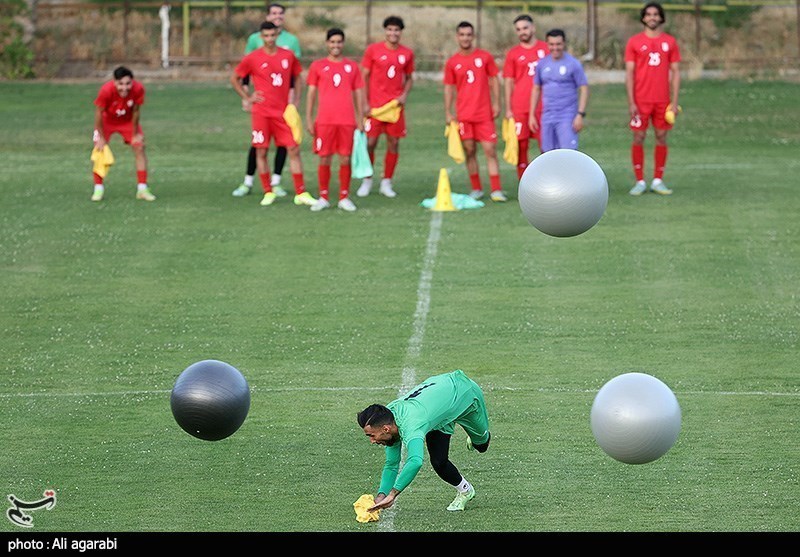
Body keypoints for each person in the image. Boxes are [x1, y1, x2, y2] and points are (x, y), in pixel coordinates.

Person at [357, 369, 491, 512]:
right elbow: (391, 463)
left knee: (482, 445)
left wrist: (393, 493)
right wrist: (381, 495)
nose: (372, 441)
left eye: (372, 435)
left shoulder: (412, 425)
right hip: (439, 416)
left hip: (466, 395)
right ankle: (466, 491)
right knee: (439, 461)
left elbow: (415, 461)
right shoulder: (388, 416)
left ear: (385, 429)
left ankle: (473, 435)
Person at [230, 21, 315, 207]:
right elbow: (235, 78)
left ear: (277, 35)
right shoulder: (253, 57)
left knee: (293, 148)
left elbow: (298, 77)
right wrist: (248, 97)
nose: (269, 39)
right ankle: (268, 191)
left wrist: (296, 101)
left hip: (282, 112)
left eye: (272, 35)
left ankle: (301, 192)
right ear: (261, 37)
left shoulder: (288, 55)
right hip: (261, 113)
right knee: (261, 150)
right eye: (266, 36)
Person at [443, 21, 506, 202]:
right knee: (469, 151)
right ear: (457, 37)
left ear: (473, 36)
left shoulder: (484, 57)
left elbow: (494, 79)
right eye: (462, 35)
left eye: (468, 35)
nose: (465, 38)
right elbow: (448, 88)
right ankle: (476, 188)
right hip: (464, 115)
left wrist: (497, 103)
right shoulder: (452, 62)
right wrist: (448, 111)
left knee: (490, 150)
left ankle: (496, 190)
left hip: (484, 114)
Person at [305, 28, 366, 212]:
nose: (336, 45)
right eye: (332, 42)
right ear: (327, 43)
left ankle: (344, 197)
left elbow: (358, 94)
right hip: (325, 121)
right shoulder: (317, 66)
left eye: (339, 42)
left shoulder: (352, 67)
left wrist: (360, 118)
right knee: (324, 158)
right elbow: (311, 95)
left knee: (345, 158)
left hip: (347, 121)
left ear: (343, 44)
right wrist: (309, 118)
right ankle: (323, 197)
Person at [625, 1, 681, 196]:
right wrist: (631, 102)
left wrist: (674, 102)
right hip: (641, 100)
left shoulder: (670, 42)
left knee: (661, 136)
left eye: (656, 14)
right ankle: (639, 180)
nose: (652, 17)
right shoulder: (634, 42)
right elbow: (630, 74)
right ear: (643, 18)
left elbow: (675, 73)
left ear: (661, 18)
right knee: (639, 136)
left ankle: (658, 180)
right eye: (648, 14)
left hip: (662, 101)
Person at [356, 15, 415, 199]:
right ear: (385, 31)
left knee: (394, 143)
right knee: (370, 143)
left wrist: (404, 94)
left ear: (401, 32)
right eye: (390, 29)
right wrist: (364, 103)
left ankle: (386, 182)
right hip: (374, 107)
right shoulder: (373, 50)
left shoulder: (407, 53)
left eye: (396, 30)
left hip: (394, 107)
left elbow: (410, 77)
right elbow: (363, 76)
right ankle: (367, 180)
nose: (393, 33)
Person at [91, 66, 155, 202]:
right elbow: (98, 113)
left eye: (128, 84)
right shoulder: (106, 90)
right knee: (99, 150)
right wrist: (101, 137)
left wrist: (136, 133)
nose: (124, 88)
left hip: (127, 121)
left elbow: (136, 111)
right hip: (106, 121)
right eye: (120, 84)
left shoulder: (138, 89)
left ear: (132, 82)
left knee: (139, 147)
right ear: (114, 82)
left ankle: (142, 189)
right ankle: (98, 189)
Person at [502, 14, 549, 179]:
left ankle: (547, 180)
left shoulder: (546, 49)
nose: (522, 32)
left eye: (525, 28)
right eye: (518, 29)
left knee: (546, 146)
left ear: (533, 28)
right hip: (520, 106)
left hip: (543, 106)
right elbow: (508, 82)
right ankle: (525, 183)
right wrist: (508, 109)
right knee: (521, 146)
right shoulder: (513, 54)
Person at [528, 29, 589, 152]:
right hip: (547, 115)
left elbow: (584, 88)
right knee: (547, 153)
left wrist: (580, 114)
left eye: (558, 44)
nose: (555, 48)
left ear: (564, 44)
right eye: (552, 44)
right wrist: (532, 115)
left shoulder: (573, 64)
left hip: (567, 115)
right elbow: (536, 88)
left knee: (568, 153)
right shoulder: (542, 63)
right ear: (547, 44)